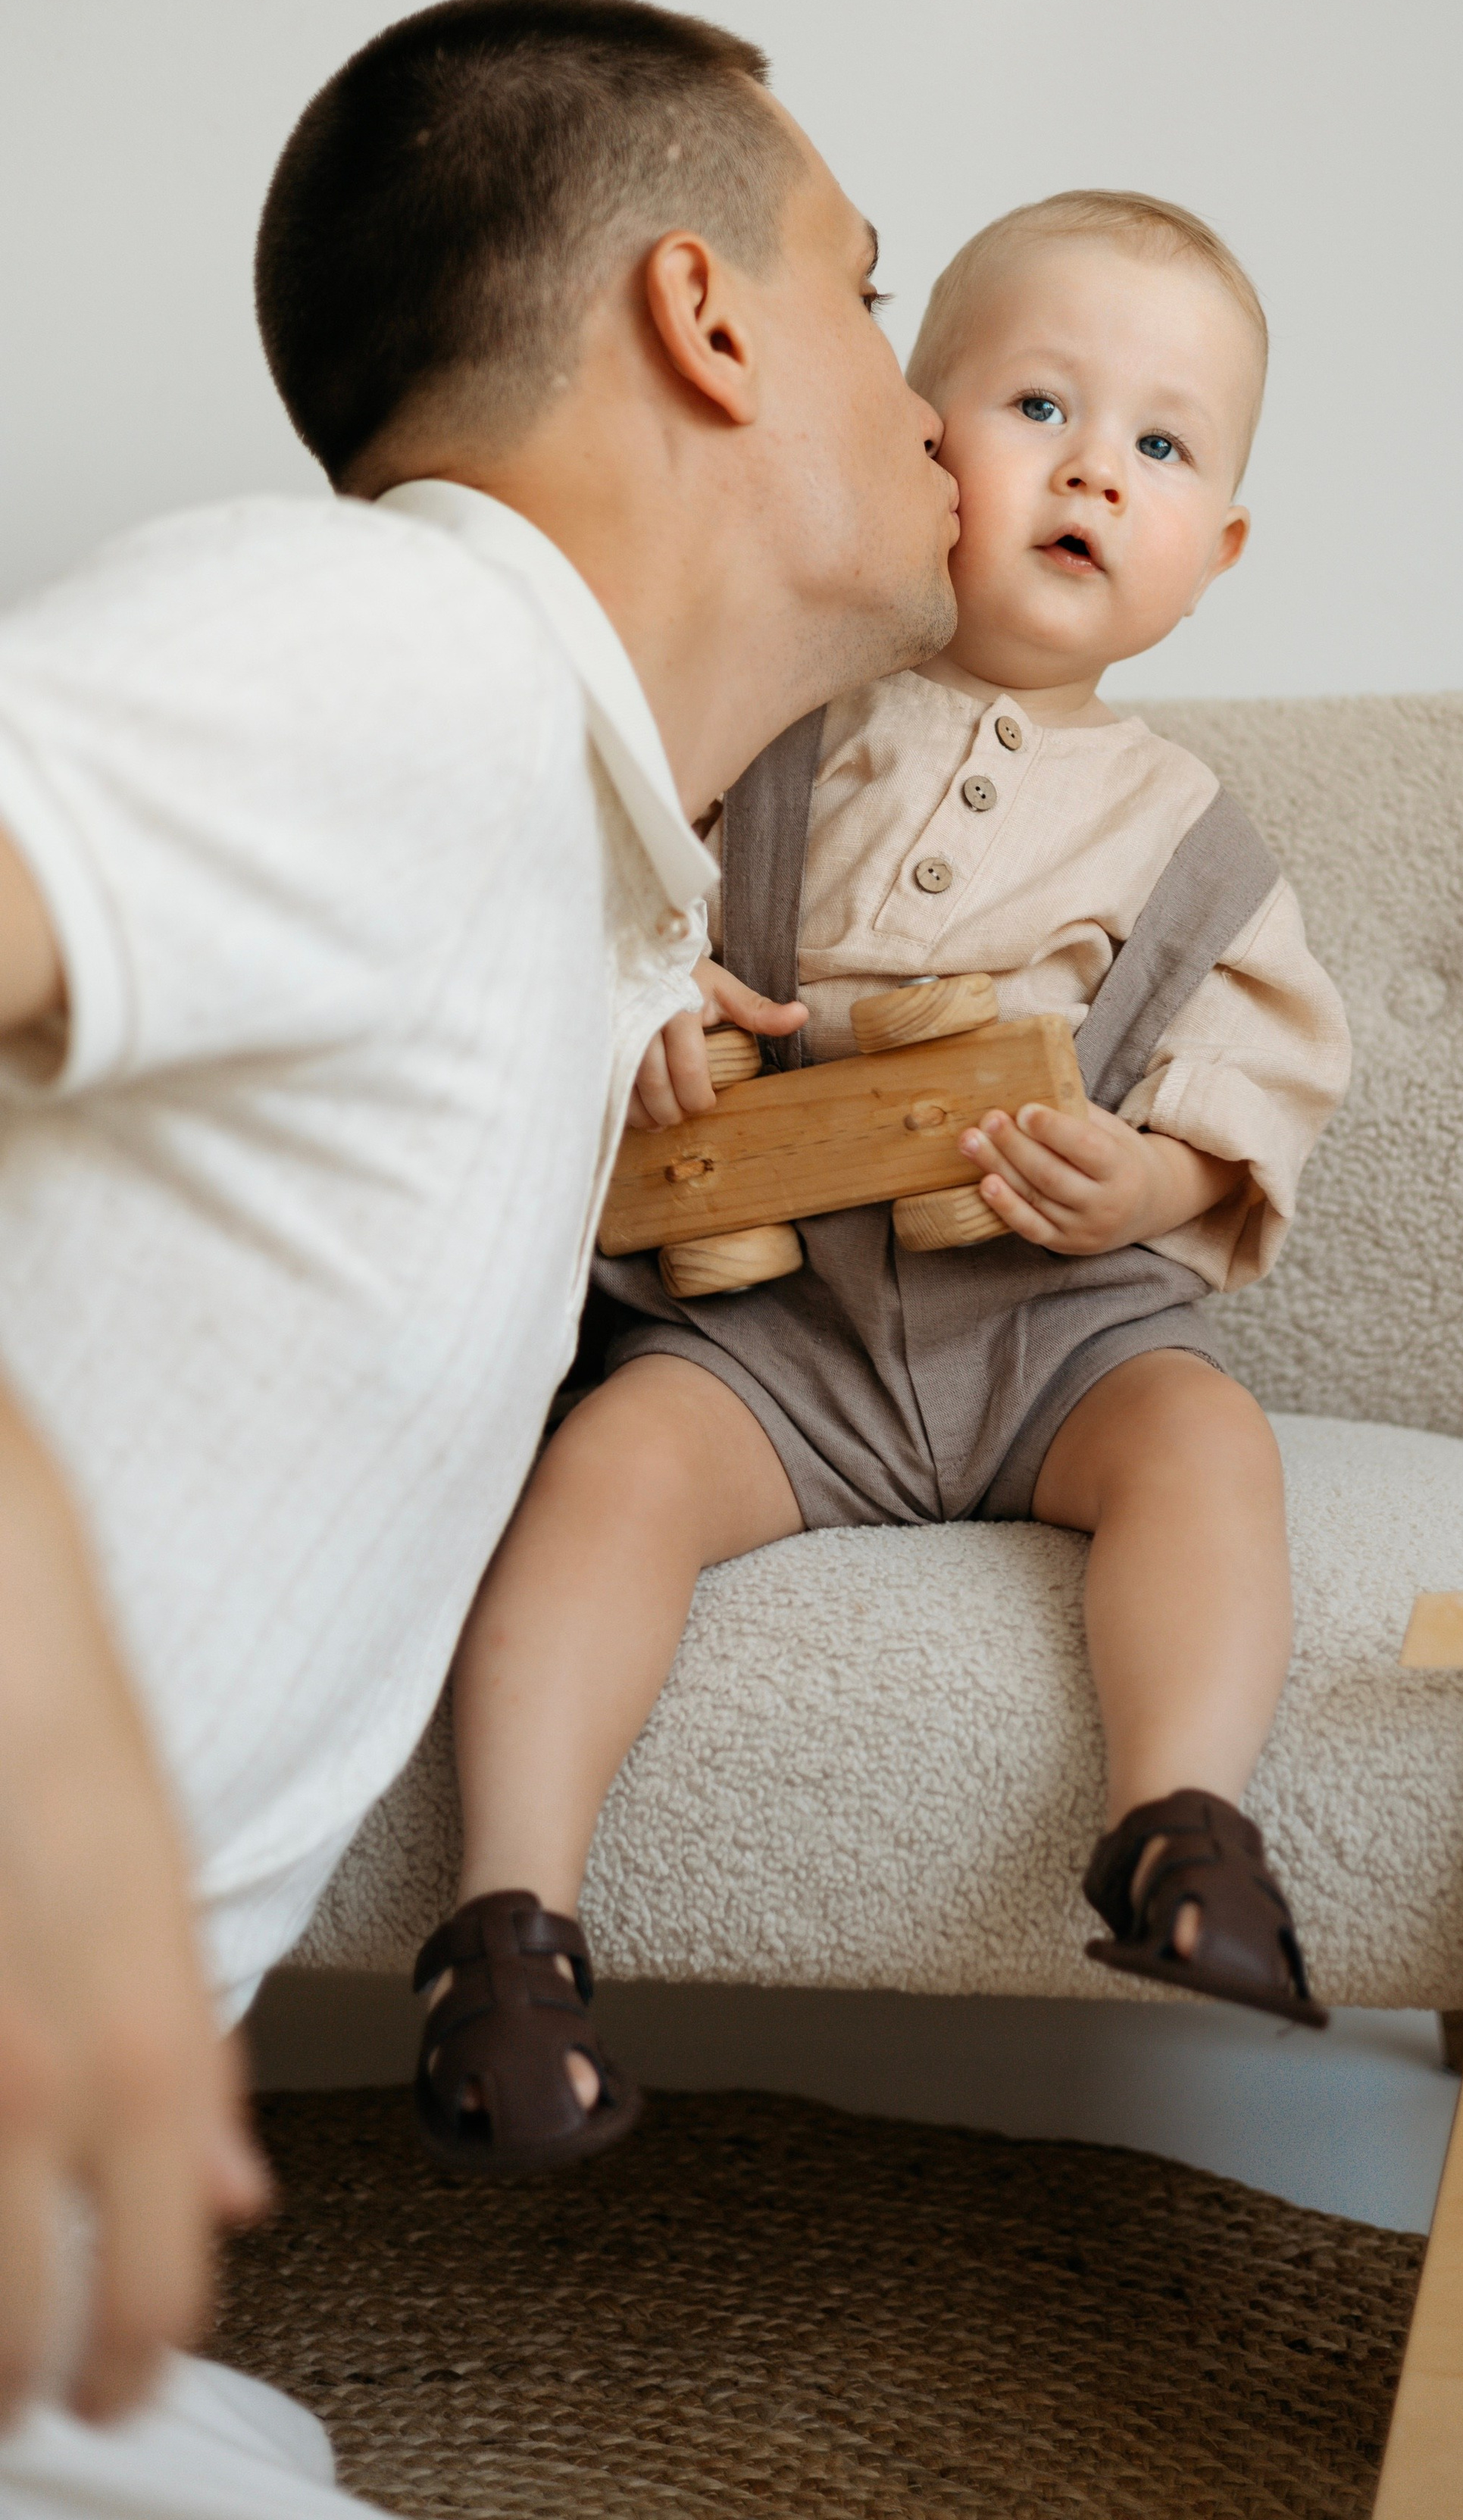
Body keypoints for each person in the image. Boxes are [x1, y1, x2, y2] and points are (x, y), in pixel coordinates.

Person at [0, 0, 957, 2512]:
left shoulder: (554, 836)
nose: (942, 397)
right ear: (709, 316)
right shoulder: (396, 652)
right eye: (877, 289)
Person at [417, 190, 1353, 2175]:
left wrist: (1149, 1179)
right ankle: (508, 1934)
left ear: (1219, 550)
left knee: (1208, 1452)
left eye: (1164, 446)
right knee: (602, 1481)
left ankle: (1178, 1824)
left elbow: (1263, 1076)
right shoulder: (758, 730)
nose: (1099, 466)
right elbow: (590, 917)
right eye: (1038, 405)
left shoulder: (1191, 830)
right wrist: (642, 1018)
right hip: (777, 1329)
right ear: (927, 449)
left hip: (1057, 1322)